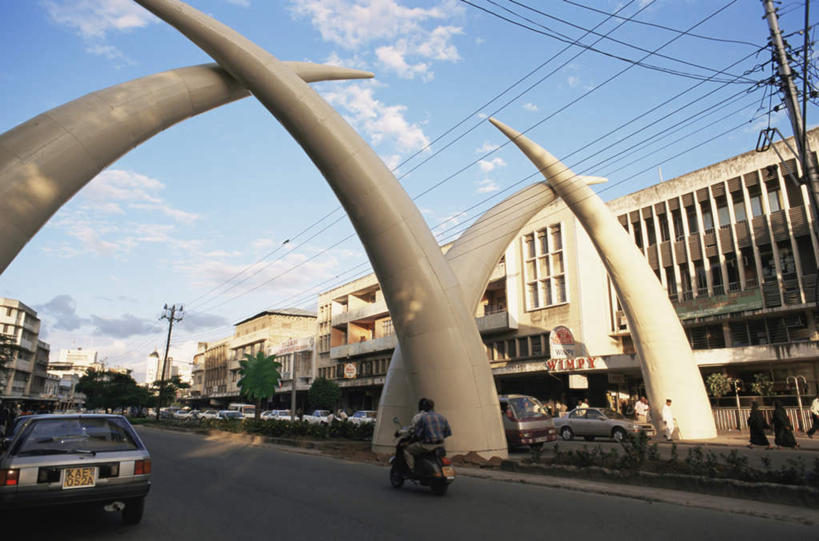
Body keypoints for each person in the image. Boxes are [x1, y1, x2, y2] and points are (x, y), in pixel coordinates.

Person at [403, 398, 452, 472]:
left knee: (407, 450)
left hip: (428, 445)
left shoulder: (423, 418)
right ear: (433, 406)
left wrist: (410, 441)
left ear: (424, 407)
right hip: (441, 445)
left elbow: (417, 434)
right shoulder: (442, 417)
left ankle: (412, 469)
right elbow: (448, 433)